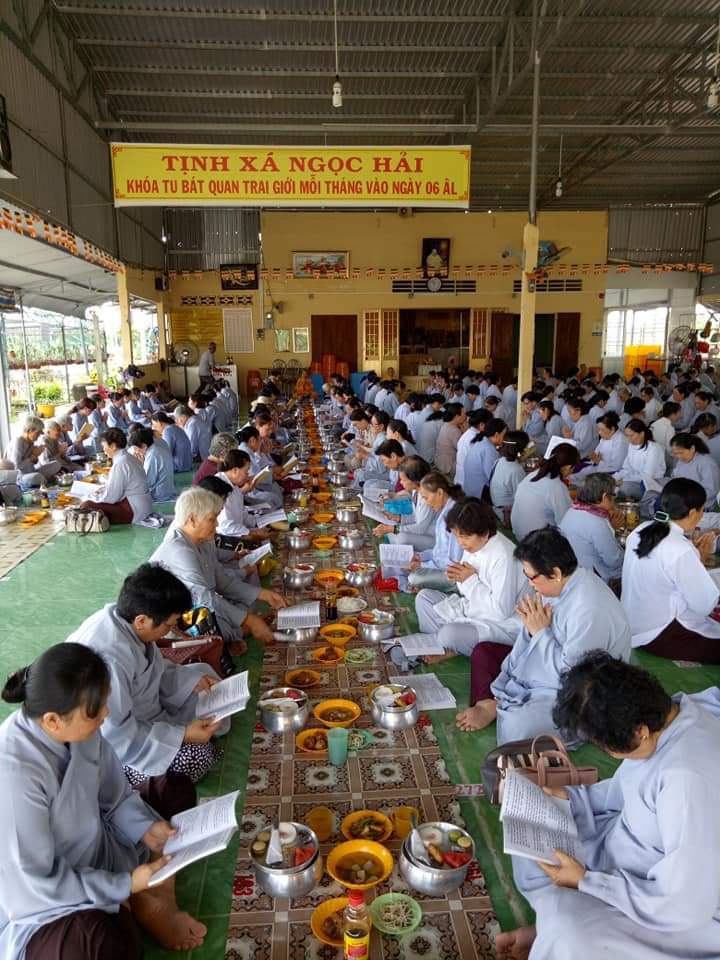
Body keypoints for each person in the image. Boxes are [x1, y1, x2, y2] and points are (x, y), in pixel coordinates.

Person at [498, 651, 720, 960]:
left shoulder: (686, 780)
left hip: (672, 905)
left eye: (605, 747)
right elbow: (624, 791)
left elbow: (684, 904)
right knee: (528, 828)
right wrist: (569, 798)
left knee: (568, 932)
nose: (606, 752)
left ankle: (557, 932)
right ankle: (557, 927)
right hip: (623, 847)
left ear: (639, 733)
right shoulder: (672, 716)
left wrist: (587, 881)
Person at [0, 643, 208, 958]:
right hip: (46, 897)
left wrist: (145, 829)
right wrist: (124, 885)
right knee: (96, 941)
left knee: (174, 788)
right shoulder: (13, 773)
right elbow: (35, 883)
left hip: (100, 847)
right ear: (53, 721)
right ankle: (138, 898)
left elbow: (116, 795)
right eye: (95, 711)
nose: (106, 714)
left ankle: (146, 896)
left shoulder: (81, 729)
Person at [67, 564, 227, 800]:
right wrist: (182, 735)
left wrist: (191, 681)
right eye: (168, 626)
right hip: (117, 750)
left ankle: (197, 732)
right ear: (142, 620)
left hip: (149, 714)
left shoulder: (125, 620)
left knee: (203, 674)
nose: (170, 630)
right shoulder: (109, 659)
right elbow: (116, 734)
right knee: (196, 758)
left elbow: (156, 670)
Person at [456, 528, 631, 738]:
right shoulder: (558, 586)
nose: (530, 584)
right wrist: (531, 633)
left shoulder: (589, 610)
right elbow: (530, 642)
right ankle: (496, 704)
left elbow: (573, 677)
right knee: (485, 653)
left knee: (517, 726)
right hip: (545, 669)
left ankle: (498, 707)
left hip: (584, 693)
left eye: (532, 578)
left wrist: (539, 633)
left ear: (555, 573)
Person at [150, 488, 283, 649]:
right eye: (212, 519)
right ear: (192, 520)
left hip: (201, 606)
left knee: (250, 601)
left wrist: (263, 594)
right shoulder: (180, 550)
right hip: (174, 620)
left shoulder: (204, 541)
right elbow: (204, 600)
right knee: (218, 628)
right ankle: (239, 633)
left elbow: (222, 581)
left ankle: (237, 632)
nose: (217, 524)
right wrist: (249, 620)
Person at [415, 498, 527, 661]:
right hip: (474, 608)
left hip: (503, 624)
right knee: (424, 598)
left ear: (485, 533)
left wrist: (469, 580)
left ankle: (450, 645)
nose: (460, 543)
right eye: (456, 535)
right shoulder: (474, 545)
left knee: (449, 634)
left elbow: (501, 612)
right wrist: (459, 578)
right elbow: (466, 590)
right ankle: (442, 646)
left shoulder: (503, 556)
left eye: (465, 536)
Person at [621, 477, 720, 662]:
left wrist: (695, 557)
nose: (701, 516)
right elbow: (704, 605)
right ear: (693, 513)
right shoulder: (681, 548)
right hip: (662, 633)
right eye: (701, 511)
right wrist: (698, 558)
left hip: (632, 625)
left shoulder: (640, 530)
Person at [559, 473, 624, 584]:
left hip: (574, 572)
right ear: (604, 497)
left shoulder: (572, 511)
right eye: (613, 495)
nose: (614, 500)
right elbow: (614, 561)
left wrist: (611, 528)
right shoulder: (596, 522)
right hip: (596, 579)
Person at [79, 428, 152, 525]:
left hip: (134, 510)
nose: (103, 450)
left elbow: (112, 497)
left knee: (86, 505)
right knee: (95, 497)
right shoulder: (128, 457)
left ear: (113, 446)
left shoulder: (121, 463)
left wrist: (90, 496)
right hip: (144, 506)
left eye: (104, 446)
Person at [405, 472, 464, 591]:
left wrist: (423, 565)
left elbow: (453, 562)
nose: (426, 503)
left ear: (440, 493)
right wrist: (421, 556)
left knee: (414, 578)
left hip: (455, 574)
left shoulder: (454, 516)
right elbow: (439, 551)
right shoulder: (445, 511)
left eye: (426, 498)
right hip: (440, 563)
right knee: (410, 564)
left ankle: (455, 588)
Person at [510, 442, 579, 541]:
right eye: (573, 468)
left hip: (519, 533)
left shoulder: (534, 474)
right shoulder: (556, 487)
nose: (572, 472)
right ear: (568, 467)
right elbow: (566, 521)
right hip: (534, 542)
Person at [372, 456, 435, 550]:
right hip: (422, 531)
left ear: (415, 480)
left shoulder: (427, 497)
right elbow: (416, 516)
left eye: (404, 480)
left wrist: (393, 529)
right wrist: (398, 518)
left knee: (402, 538)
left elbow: (420, 528)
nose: (401, 483)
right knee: (392, 524)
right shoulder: (416, 491)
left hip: (433, 538)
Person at [215, 449, 271, 543]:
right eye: (246, 471)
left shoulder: (234, 484)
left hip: (237, 531)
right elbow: (226, 527)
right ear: (235, 470)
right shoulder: (220, 486)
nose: (248, 475)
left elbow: (242, 514)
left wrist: (259, 524)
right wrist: (252, 533)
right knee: (265, 542)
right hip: (226, 539)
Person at [613, 418, 666, 500]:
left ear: (642, 434)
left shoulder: (653, 448)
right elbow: (626, 469)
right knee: (608, 482)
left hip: (651, 484)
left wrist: (623, 481)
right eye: (627, 435)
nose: (629, 439)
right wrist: (614, 477)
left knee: (625, 487)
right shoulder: (631, 446)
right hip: (633, 480)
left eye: (631, 435)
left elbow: (647, 476)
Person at [4, 416, 61, 487]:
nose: (38, 436)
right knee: (37, 477)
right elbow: (16, 467)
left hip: (32, 471)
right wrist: (33, 456)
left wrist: (36, 457)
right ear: (30, 430)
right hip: (20, 476)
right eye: (37, 433)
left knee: (57, 464)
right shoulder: (18, 442)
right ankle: (45, 480)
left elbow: (33, 463)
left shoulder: (31, 442)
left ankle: (44, 480)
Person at [670, 432, 720, 508]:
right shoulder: (680, 462)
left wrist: (688, 498)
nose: (679, 457)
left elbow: (711, 490)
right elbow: (674, 478)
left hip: (700, 505)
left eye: (681, 453)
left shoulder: (707, 463)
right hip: (682, 499)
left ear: (692, 449)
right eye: (675, 454)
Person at [127, 425, 177, 502]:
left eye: (136, 449)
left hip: (159, 496)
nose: (136, 452)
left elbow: (147, 483)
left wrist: (140, 466)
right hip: (166, 491)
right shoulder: (155, 449)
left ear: (144, 446)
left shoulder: (153, 455)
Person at [490, 430, 529, 525]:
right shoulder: (516, 470)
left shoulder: (499, 461)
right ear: (521, 450)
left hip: (495, 507)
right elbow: (522, 499)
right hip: (506, 514)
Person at [463, 417, 507, 499]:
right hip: (479, 494)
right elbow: (493, 477)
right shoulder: (488, 449)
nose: (505, 439)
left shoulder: (482, 441)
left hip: (470, 489)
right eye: (504, 435)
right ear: (496, 435)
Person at [455, 409, 490, 486]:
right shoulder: (478, 439)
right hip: (467, 482)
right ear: (481, 425)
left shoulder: (467, 433)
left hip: (460, 479)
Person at [433, 403, 465, 476]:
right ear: (457, 416)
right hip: (447, 465)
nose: (465, 416)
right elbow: (462, 449)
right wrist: (465, 432)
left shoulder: (446, 424)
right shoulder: (454, 430)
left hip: (439, 460)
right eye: (464, 414)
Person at [650, 400, 680, 465]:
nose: (679, 415)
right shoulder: (669, 428)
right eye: (678, 413)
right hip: (662, 457)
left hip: (651, 454)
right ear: (672, 414)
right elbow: (670, 449)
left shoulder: (655, 423)